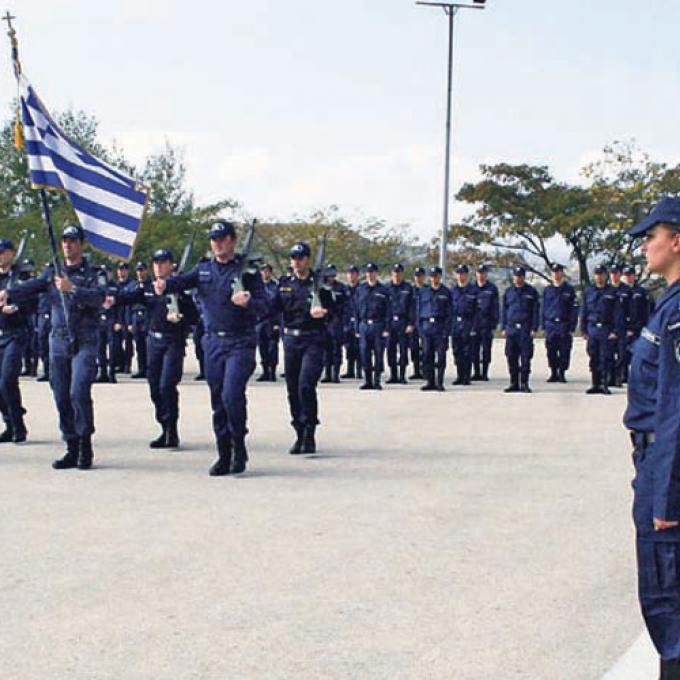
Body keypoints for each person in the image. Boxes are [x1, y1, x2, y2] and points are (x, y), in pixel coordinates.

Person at [155, 221, 267, 476]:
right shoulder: (204, 269)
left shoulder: (247, 273)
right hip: (213, 342)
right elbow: (181, 282)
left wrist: (248, 302)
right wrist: (164, 285)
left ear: (232, 240)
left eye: (222, 238)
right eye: (214, 239)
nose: (217, 243)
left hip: (240, 342)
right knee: (218, 400)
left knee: (231, 395)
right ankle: (224, 453)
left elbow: (266, 306)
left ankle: (238, 444)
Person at [623, 197, 680, 678]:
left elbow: (676, 408)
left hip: (667, 467)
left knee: (669, 602)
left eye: (652, 237)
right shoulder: (668, 305)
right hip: (656, 462)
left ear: (677, 241)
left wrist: (667, 495)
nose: (645, 246)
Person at [0, 225, 106, 469]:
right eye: (64, 240)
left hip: (84, 338)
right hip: (58, 340)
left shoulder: (94, 272)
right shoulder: (53, 271)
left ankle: (85, 445)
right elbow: (31, 287)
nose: (67, 245)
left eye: (72, 240)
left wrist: (73, 289)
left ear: (82, 244)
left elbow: (100, 297)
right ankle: (71, 446)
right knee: (61, 395)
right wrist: (8, 292)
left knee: (78, 391)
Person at [117, 249, 197, 449]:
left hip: (173, 342)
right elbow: (125, 297)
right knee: (154, 388)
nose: (159, 267)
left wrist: (181, 318)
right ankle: (163, 427)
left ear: (171, 265)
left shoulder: (179, 289)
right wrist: (108, 298)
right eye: (156, 263)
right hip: (154, 342)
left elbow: (195, 316)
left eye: (163, 263)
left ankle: (172, 430)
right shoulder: (148, 288)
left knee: (166, 386)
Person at [270, 242, 333, 454]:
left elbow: (337, 309)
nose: (297, 262)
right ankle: (299, 431)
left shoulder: (320, 285)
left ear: (308, 259)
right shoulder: (285, 284)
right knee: (292, 388)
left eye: (301, 258)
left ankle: (310, 431)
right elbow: (272, 307)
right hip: (291, 340)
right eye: (294, 258)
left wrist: (324, 312)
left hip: (313, 339)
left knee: (306, 385)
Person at [0, 239, 30, 443]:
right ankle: (9, 422)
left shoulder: (21, 277)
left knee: (7, 380)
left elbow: (32, 302)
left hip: (15, 334)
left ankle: (18, 425)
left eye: (3, 252)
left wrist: (16, 307)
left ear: (11, 253)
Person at [501, 266, 539, 393]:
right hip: (511, 328)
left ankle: (524, 383)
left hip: (525, 328)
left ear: (524, 277)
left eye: (520, 276)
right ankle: (514, 383)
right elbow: (504, 311)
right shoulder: (508, 292)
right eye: (516, 276)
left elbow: (535, 311)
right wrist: (503, 327)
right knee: (511, 356)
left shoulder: (531, 292)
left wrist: (534, 327)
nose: (518, 278)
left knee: (525, 357)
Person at [581, 264, 617, 395]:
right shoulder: (589, 291)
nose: (599, 277)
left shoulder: (612, 292)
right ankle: (595, 384)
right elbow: (584, 311)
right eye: (597, 274)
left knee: (605, 357)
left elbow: (617, 313)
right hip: (592, 328)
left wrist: (615, 331)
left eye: (601, 274)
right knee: (593, 356)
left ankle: (604, 384)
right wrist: (583, 330)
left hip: (606, 328)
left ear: (606, 276)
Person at [354, 263, 391, 390]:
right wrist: (357, 328)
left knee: (378, 354)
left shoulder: (383, 290)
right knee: (365, 354)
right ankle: (367, 381)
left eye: (373, 272)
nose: (370, 274)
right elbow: (356, 310)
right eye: (368, 272)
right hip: (364, 325)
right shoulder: (360, 289)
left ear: (376, 273)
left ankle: (376, 381)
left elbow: (388, 311)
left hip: (378, 325)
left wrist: (387, 328)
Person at [541, 263, 579, 383]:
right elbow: (543, 308)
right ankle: (553, 373)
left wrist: (572, 326)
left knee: (564, 350)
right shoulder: (547, 290)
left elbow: (574, 309)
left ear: (562, 273)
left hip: (564, 324)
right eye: (554, 272)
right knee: (551, 350)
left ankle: (562, 373)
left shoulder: (569, 290)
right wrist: (543, 325)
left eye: (558, 272)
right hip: (550, 324)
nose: (556, 274)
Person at [416, 266, 452, 392]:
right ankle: (430, 382)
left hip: (440, 327)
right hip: (426, 327)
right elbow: (418, 311)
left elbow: (449, 313)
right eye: (432, 276)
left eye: (436, 276)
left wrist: (447, 330)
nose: (434, 278)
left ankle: (439, 382)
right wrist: (419, 329)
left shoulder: (446, 292)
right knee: (427, 355)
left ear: (440, 277)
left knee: (441, 356)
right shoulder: (423, 292)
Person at [385, 263, 414, 384]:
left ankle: (402, 375)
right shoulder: (386, 288)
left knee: (403, 350)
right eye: (395, 272)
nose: (396, 275)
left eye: (399, 272)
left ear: (402, 273)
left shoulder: (408, 288)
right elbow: (383, 307)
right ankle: (393, 375)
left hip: (403, 322)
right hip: (390, 322)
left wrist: (411, 323)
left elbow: (412, 307)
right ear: (391, 273)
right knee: (390, 349)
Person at [450, 264, 477, 386]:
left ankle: (466, 376)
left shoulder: (473, 291)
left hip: (468, 322)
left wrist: (474, 327)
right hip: (456, 323)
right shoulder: (452, 291)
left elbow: (477, 311)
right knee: (457, 351)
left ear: (467, 275)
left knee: (468, 352)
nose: (461, 276)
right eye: (459, 273)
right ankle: (459, 375)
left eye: (463, 274)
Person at [622, 264, 650, 383]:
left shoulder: (641, 292)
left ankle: (636, 374)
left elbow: (647, 310)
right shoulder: (620, 291)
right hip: (623, 327)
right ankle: (622, 374)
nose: (628, 278)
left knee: (637, 352)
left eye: (630, 275)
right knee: (623, 353)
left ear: (634, 276)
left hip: (638, 327)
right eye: (626, 275)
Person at [471, 264, 499, 381]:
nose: (481, 275)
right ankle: (476, 372)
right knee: (474, 349)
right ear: (476, 274)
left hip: (487, 322)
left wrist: (494, 323)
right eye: (479, 273)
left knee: (486, 349)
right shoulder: (471, 288)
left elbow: (495, 307)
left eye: (483, 273)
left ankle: (485, 373)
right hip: (474, 322)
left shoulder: (492, 289)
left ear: (486, 274)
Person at [320, 264, 346, 384]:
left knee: (336, 348)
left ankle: (335, 374)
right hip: (324, 320)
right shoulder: (321, 287)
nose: (331, 277)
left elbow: (346, 305)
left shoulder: (341, 288)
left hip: (336, 320)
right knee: (326, 349)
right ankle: (327, 374)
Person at [255, 263, 280, 382]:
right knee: (262, 347)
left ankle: (272, 371)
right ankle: (265, 371)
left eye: (267, 271)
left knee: (272, 347)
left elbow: (279, 306)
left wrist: (278, 323)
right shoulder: (257, 287)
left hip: (272, 320)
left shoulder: (275, 287)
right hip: (260, 320)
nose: (265, 273)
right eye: (263, 271)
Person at [609, 264, 632, 388]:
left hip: (623, 327)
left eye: (616, 273)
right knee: (609, 354)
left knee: (623, 355)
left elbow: (632, 310)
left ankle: (619, 374)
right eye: (612, 273)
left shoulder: (627, 290)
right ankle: (612, 377)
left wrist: (631, 327)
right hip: (609, 327)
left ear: (619, 275)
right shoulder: (606, 290)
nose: (614, 276)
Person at [128, 262, 150, 379]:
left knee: (148, 345)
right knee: (139, 345)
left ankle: (150, 369)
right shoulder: (133, 286)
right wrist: (129, 322)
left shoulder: (151, 285)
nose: (140, 273)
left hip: (147, 316)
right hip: (136, 316)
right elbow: (128, 306)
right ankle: (142, 369)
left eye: (142, 270)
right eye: (138, 270)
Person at [341, 265, 362, 379]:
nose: (351, 276)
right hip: (347, 321)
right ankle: (350, 370)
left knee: (359, 346)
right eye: (349, 273)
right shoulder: (344, 289)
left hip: (359, 320)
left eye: (353, 273)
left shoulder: (362, 288)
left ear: (357, 275)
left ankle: (359, 370)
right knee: (348, 346)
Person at [409, 266, 426, 380]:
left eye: (420, 276)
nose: (418, 278)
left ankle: (425, 369)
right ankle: (416, 371)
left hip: (424, 322)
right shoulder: (410, 290)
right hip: (413, 322)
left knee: (426, 347)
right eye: (416, 276)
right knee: (413, 347)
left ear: (424, 277)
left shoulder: (428, 290)